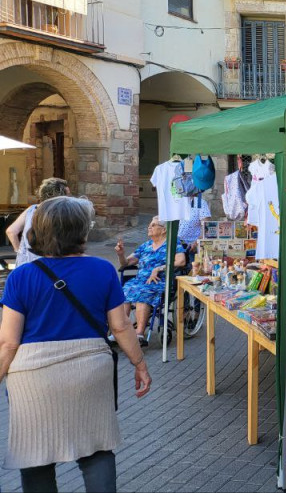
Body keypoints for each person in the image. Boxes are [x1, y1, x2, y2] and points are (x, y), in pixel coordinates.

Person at [0, 196, 151, 492]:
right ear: (81, 231)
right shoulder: (103, 269)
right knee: (96, 449)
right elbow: (120, 327)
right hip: (90, 370)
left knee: (36, 457)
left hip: (33, 378)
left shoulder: (20, 277)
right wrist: (140, 364)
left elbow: (7, 342)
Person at [115, 217, 186, 346]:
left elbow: (181, 261)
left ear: (164, 230)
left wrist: (159, 268)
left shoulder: (172, 243)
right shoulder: (146, 245)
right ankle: (122, 331)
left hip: (160, 281)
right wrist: (121, 254)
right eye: (150, 224)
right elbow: (127, 263)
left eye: (153, 225)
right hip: (140, 280)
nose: (149, 227)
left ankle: (139, 334)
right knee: (122, 293)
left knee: (143, 294)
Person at [5, 177, 70, 266]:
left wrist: (20, 251)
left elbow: (11, 231)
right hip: (52, 264)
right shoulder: (60, 212)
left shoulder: (31, 209)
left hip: (26, 263)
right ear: (59, 195)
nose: (69, 198)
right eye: (67, 195)